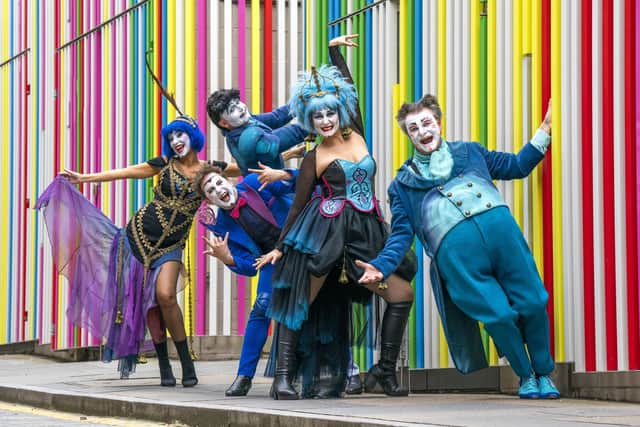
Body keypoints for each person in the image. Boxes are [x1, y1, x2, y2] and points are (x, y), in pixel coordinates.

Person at [357, 94, 560, 399]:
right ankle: (525, 375)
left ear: (438, 123)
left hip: (506, 242)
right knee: (499, 315)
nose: (423, 132)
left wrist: (545, 130)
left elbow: (517, 166)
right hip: (461, 263)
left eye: (426, 123)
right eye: (414, 129)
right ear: (408, 135)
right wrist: (381, 266)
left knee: (532, 301)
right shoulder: (402, 184)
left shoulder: (470, 152)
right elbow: (401, 235)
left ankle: (545, 372)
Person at [256, 34, 417, 400]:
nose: (325, 120)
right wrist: (281, 248)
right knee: (301, 300)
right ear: (309, 120)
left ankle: (383, 372)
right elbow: (297, 206)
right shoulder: (314, 157)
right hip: (326, 232)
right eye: (317, 115)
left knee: (401, 293)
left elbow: (350, 88)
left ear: (340, 110)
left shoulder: (356, 132)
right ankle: (283, 377)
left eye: (330, 112)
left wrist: (333, 51)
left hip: (367, 231)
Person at [36, 115, 234, 388]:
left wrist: (287, 158)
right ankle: (164, 365)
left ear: (194, 136)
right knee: (149, 302)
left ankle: (186, 362)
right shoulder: (164, 164)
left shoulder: (211, 170)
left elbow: (245, 168)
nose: (176, 142)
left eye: (181, 135)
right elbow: (125, 172)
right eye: (171, 137)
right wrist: (85, 178)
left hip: (172, 245)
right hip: (138, 237)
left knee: (165, 295)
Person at [195, 163, 297, 396]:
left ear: (228, 181)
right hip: (271, 261)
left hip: (300, 244)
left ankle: (348, 372)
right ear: (210, 200)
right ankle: (244, 376)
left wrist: (282, 173)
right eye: (210, 190)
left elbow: (296, 187)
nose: (216, 188)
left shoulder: (253, 183)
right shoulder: (222, 224)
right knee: (261, 308)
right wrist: (228, 258)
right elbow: (250, 266)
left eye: (218, 182)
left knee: (324, 304)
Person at [206, 89, 307, 176]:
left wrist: (300, 103)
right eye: (232, 110)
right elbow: (293, 134)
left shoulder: (244, 122)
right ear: (224, 124)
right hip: (270, 193)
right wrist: (315, 120)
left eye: (237, 102)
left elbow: (276, 117)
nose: (240, 108)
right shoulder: (246, 141)